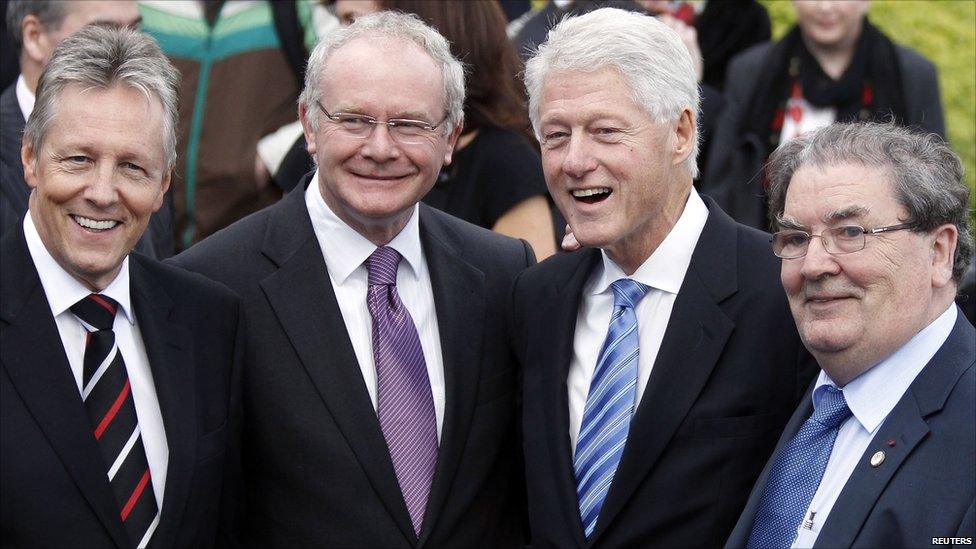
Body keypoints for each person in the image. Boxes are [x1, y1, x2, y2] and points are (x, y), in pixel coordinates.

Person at [172, 11, 533, 547]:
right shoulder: (212, 287)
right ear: (309, 125)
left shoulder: (503, 272)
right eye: (354, 120)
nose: (381, 148)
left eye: (409, 124)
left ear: (451, 136)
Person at [513, 8, 816, 548]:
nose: (574, 160)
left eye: (606, 131)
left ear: (681, 133)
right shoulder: (537, 298)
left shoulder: (783, 293)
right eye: (555, 136)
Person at [0, 25, 242, 548]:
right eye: (79, 160)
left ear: (163, 184)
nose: (103, 193)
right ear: (30, 158)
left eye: (132, 167)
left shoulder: (210, 323)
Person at [725, 122, 974, 548]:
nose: (814, 265)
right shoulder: (794, 395)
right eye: (796, 237)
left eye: (851, 233)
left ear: (939, 252)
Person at [702, 0, 945, 231]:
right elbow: (722, 179)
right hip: (766, 249)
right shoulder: (751, 71)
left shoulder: (911, 75)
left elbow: (935, 187)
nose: (825, 7)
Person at [138, 0, 317, 251]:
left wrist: (272, 155)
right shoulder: (136, 9)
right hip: (154, 228)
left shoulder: (299, 8)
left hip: (254, 227)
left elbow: (340, 95)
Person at [1, 0, 174, 258]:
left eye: (136, 30)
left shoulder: (149, 136)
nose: (128, 48)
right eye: (103, 31)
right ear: (34, 36)